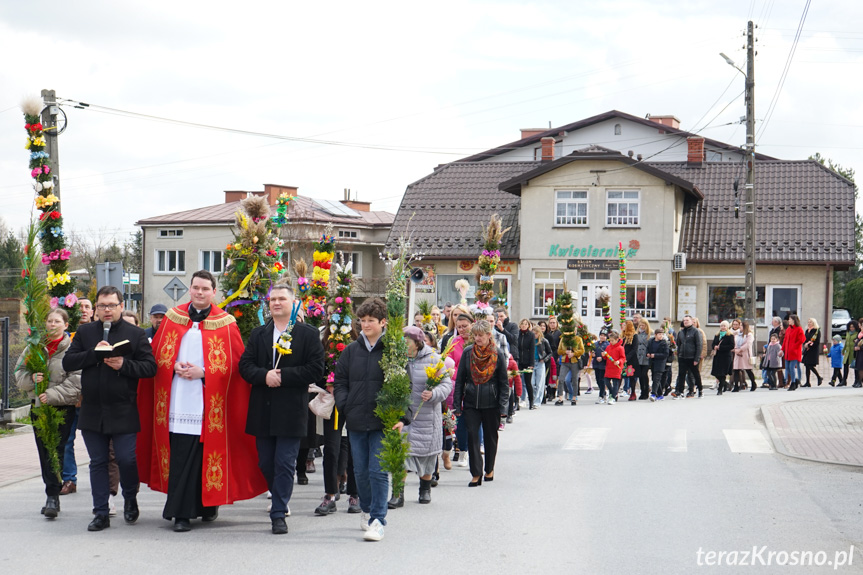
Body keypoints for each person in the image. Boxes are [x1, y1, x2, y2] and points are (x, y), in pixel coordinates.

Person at [137, 270, 266, 532]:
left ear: (213, 292)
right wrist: (172, 366)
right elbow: (156, 357)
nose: (199, 292)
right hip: (176, 400)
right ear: (190, 289)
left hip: (208, 402)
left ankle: (206, 505)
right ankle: (181, 513)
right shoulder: (173, 319)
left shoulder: (226, 323)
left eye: (205, 289)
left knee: (204, 455)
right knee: (180, 453)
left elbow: (235, 367)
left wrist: (204, 373)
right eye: (195, 287)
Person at [62, 286, 157, 532]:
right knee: (98, 461)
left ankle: (130, 497)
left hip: (123, 407)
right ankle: (100, 513)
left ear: (121, 306)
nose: (107, 310)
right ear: (96, 307)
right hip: (92, 409)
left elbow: (150, 368)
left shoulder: (135, 334)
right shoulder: (84, 332)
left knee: (126, 458)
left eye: (112, 305)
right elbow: (68, 362)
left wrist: (124, 364)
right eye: (102, 305)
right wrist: (94, 354)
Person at [239, 284, 324, 534]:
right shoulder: (259, 334)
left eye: (282, 299)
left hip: (290, 410)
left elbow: (315, 369)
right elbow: (245, 366)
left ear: (293, 302)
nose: (276, 303)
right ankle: (279, 497)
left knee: (285, 463)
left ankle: (278, 513)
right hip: (262, 410)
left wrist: (283, 376)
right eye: (273, 299)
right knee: (266, 462)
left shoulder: (307, 334)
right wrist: (264, 376)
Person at [333, 298, 398, 542]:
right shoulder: (350, 351)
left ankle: (379, 520)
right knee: (359, 471)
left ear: (383, 322)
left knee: (378, 470)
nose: (365, 325)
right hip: (357, 419)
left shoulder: (393, 350)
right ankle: (368, 509)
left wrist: (402, 416)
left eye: (371, 320)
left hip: (383, 420)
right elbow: (340, 382)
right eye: (362, 320)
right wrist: (345, 405)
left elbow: (404, 385)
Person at [14, 309, 81, 518]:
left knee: (58, 449)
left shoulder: (72, 349)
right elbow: (19, 373)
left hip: (62, 407)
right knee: (44, 450)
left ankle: (55, 491)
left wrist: (51, 394)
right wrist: (32, 379)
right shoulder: (34, 347)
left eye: (57, 321)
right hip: (39, 408)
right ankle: (51, 493)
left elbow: (77, 379)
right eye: (49, 321)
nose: (52, 324)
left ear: (66, 325)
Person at [452, 320, 509, 487]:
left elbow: (504, 384)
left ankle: (489, 469)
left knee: (491, 437)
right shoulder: (468, 353)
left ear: (488, 335)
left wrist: (503, 407)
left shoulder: (497, 354)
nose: (477, 338)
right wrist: (457, 404)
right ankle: (476, 473)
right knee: (472, 436)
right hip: (471, 402)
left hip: (492, 403)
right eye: (475, 335)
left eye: (480, 335)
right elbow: (460, 379)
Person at [402, 326, 452, 504]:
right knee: (401, 454)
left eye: (407, 342)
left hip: (427, 416)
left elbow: (446, 385)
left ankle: (425, 490)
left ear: (417, 343)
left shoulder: (434, 359)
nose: (404, 345)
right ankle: (397, 494)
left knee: (427, 454)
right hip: (404, 414)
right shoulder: (399, 360)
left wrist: (433, 394)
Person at [61, 298, 93, 495]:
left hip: (90, 397)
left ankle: (100, 477)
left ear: (93, 311)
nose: (83, 310)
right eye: (79, 306)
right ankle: (69, 479)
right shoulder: (67, 337)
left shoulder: (98, 334)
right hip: (68, 398)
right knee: (66, 440)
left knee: (95, 442)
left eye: (87, 307)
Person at [673, 315, 702, 399]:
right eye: (684, 320)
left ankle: (700, 390)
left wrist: (697, 358)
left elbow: (699, 345)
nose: (685, 322)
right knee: (681, 375)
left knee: (695, 374)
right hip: (682, 357)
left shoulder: (696, 331)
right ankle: (680, 392)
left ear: (691, 322)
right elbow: (678, 344)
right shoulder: (681, 332)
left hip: (692, 357)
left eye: (687, 320)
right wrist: (678, 354)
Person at [555, 327, 584, 406]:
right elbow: (559, 350)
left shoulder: (578, 339)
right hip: (565, 362)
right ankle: (560, 398)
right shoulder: (563, 339)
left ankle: (574, 398)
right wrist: (565, 352)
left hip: (574, 362)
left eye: (574, 330)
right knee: (561, 379)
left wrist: (574, 353)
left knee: (574, 380)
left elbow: (582, 350)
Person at [711, 321, 736, 395]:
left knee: (722, 373)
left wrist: (721, 347)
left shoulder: (730, 335)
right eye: (722, 326)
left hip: (726, 356)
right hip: (717, 356)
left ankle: (720, 389)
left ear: (727, 327)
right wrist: (714, 346)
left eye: (724, 326)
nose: (723, 327)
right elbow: (713, 343)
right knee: (716, 373)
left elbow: (731, 346)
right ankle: (725, 384)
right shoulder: (717, 335)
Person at [732, 320, 757, 392]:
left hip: (745, 354)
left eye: (741, 326)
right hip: (738, 354)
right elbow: (735, 342)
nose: (740, 327)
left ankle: (753, 383)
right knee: (736, 370)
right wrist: (736, 349)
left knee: (748, 370)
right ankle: (736, 386)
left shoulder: (749, 335)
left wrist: (740, 349)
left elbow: (748, 344)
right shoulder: (737, 334)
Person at [602, 331, 626, 404]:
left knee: (615, 383)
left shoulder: (620, 348)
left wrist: (619, 361)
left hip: (616, 367)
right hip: (609, 367)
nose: (611, 342)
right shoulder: (608, 347)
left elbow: (623, 358)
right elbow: (606, 357)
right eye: (610, 340)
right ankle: (613, 393)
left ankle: (612, 397)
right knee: (606, 381)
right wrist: (604, 355)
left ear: (616, 340)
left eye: (612, 340)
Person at [783, 314, 805, 391]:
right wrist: (782, 349)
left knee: (792, 367)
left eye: (790, 319)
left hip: (794, 352)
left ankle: (793, 382)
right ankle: (795, 380)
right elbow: (785, 340)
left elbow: (802, 339)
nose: (789, 321)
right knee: (787, 368)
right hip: (788, 352)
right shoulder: (789, 329)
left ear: (793, 320)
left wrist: (794, 346)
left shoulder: (799, 329)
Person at [516, 319, 536, 409]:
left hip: (528, 361)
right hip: (519, 361)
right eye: (522, 324)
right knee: (518, 382)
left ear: (528, 325)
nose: (524, 326)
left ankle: (531, 402)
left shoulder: (531, 335)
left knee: (528, 382)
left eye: (525, 324)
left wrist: (532, 363)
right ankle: (517, 402)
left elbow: (532, 350)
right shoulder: (517, 334)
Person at [646, 327, 668, 401]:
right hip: (653, 363)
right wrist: (648, 354)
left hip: (660, 363)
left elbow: (665, 354)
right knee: (654, 378)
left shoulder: (664, 343)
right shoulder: (651, 341)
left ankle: (653, 394)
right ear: (655, 335)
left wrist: (655, 355)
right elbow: (648, 349)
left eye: (662, 334)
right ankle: (660, 394)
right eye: (659, 334)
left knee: (656, 378)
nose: (661, 336)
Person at [531, 325, 550, 406]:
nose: (534, 335)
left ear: (539, 333)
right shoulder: (530, 341)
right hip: (532, 363)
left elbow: (550, 353)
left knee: (539, 383)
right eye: (533, 333)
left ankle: (537, 402)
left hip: (540, 363)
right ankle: (533, 398)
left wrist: (544, 359)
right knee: (531, 383)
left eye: (535, 333)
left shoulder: (544, 341)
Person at [802, 318, 823, 387]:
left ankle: (819, 377)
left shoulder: (816, 331)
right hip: (807, 350)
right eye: (808, 322)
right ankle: (807, 382)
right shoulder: (807, 331)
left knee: (810, 365)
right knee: (807, 365)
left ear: (814, 323)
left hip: (813, 350)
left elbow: (817, 342)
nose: (809, 323)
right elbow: (805, 339)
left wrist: (810, 345)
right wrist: (805, 344)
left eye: (810, 322)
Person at [592, 330, 609, 403]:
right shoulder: (595, 344)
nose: (602, 337)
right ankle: (603, 392)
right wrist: (593, 354)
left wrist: (602, 358)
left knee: (602, 380)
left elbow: (608, 354)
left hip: (603, 365)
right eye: (601, 335)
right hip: (596, 364)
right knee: (597, 379)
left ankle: (601, 395)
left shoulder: (607, 345)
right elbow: (592, 351)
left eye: (604, 336)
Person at [842, 320, 859, 387]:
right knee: (845, 365)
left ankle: (856, 380)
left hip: (854, 352)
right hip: (848, 352)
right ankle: (844, 380)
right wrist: (843, 350)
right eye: (850, 327)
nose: (851, 328)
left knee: (855, 366)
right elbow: (846, 342)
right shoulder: (848, 333)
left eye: (853, 327)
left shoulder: (857, 333)